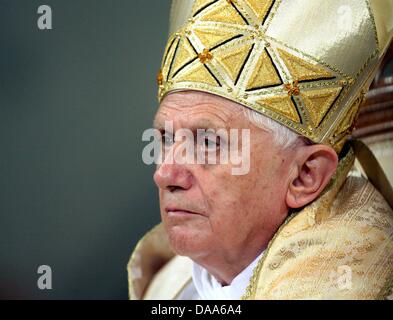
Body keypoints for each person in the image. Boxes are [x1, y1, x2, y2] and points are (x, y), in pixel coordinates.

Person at [128, 0, 393, 299]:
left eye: (206, 142)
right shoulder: (167, 288)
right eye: (164, 138)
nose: (165, 174)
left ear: (304, 175)